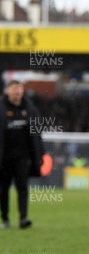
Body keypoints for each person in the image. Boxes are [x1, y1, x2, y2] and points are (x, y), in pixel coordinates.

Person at [0, 80, 44, 229]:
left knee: (23, 187)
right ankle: (5, 218)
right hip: (4, 157)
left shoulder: (30, 108)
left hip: (23, 157)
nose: (17, 91)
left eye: (20, 88)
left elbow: (37, 134)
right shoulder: (1, 108)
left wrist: (39, 155)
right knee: (3, 188)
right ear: (7, 91)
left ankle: (23, 218)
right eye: (14, 88)